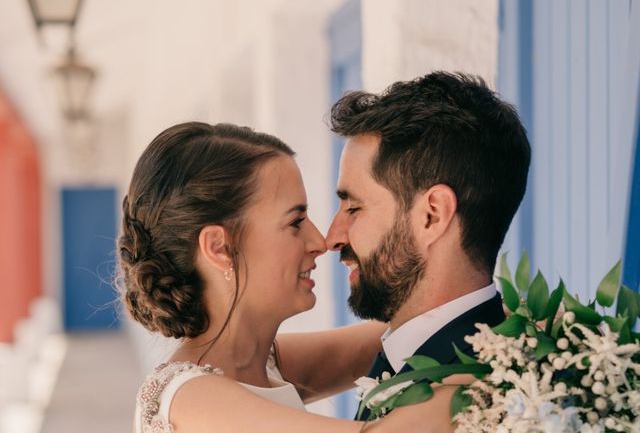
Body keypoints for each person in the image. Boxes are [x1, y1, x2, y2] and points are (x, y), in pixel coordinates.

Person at [118, 122, 459, 433]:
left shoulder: (261, 363)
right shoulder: (192, 399)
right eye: (295, 222)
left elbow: (412, 331)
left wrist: (505, 317)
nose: (320, 242)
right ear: (220, 247)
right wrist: (505, 366)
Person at [325, 71, 531, 419]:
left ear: (432, 216)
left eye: (353, 207)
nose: (332, 237)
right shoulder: (414, 349)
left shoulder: (491, 400)